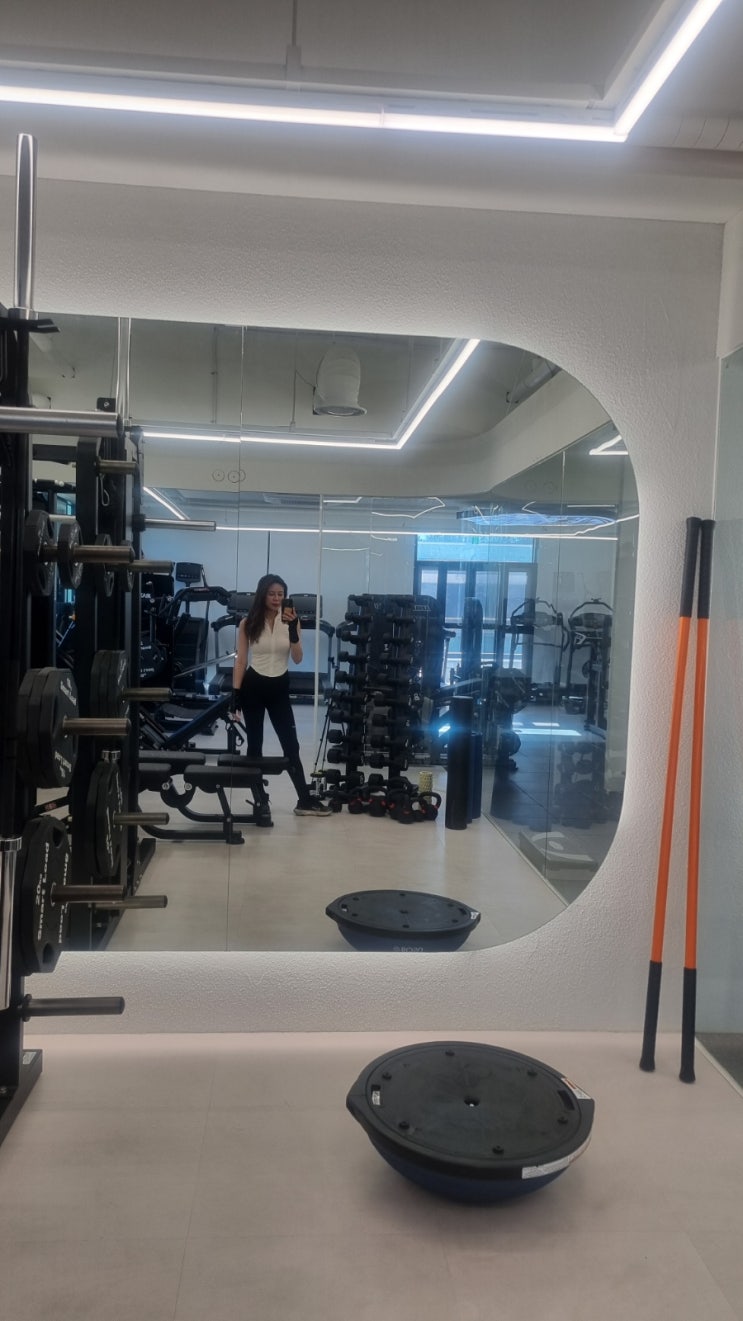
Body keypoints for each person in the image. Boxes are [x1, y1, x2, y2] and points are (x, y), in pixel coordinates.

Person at [231, 574, 332, 816]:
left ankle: (304, 800)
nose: (277, 598)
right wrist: (236, 693)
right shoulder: (248, 623)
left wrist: (294, 633)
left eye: (280, 594)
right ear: (262, 595)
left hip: (279, 688)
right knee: (255, 745)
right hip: (253, 687)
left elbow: (297, 658)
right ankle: (260, 800)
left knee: (291, 745)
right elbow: (241, 660)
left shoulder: (292, 622)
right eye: (272, 594)